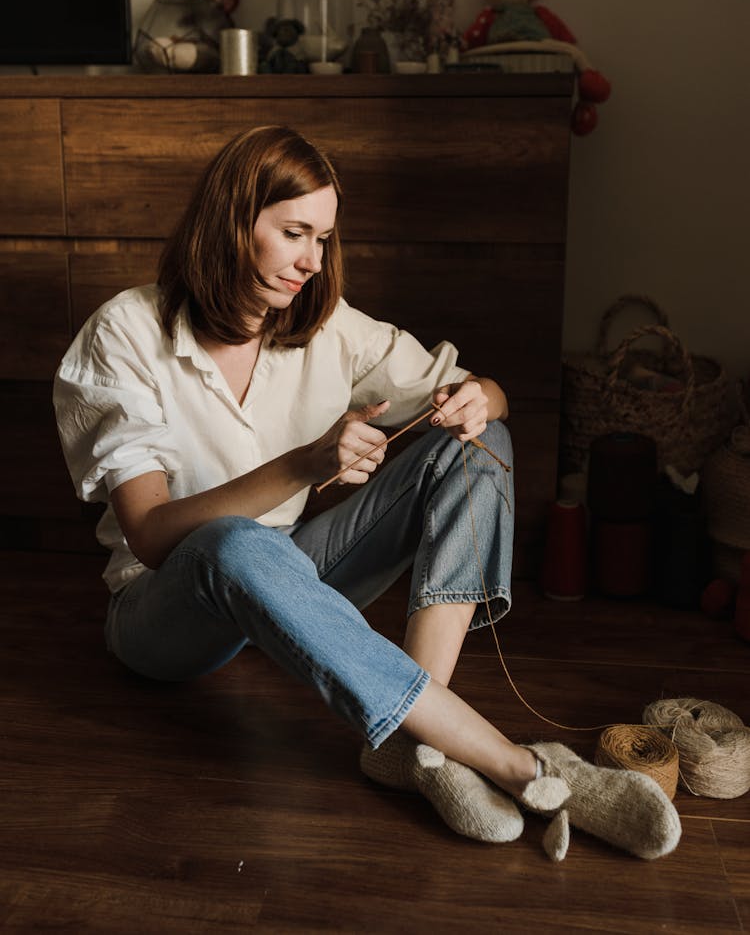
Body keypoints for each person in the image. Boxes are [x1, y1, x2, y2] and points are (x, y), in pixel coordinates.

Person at [53, 124, 680, 860]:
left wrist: (480, 398)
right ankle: (519, 763)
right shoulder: (124, 331)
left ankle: (418, 754)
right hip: (163, 616)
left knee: (479, 447)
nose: (312, 263)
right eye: (293, 233)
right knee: (233, 542)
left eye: (322, 239)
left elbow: (487, 393)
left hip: (287, 577)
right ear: (231, 219)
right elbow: (154, 534)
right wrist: (305, 465)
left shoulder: (329, 329)